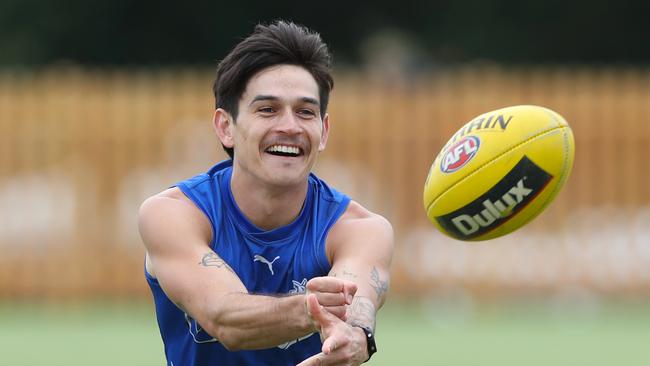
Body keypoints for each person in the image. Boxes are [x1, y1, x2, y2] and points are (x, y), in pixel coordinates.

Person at [138, 20, 394, 366]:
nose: (289, 126)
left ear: (324, 130)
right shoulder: (172, 214)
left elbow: (356, 300)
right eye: (268, 110)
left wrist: (357, 335)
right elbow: (224, 318)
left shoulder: (361, 229)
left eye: (305, 112)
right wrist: (311, 308)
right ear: (226, 127)